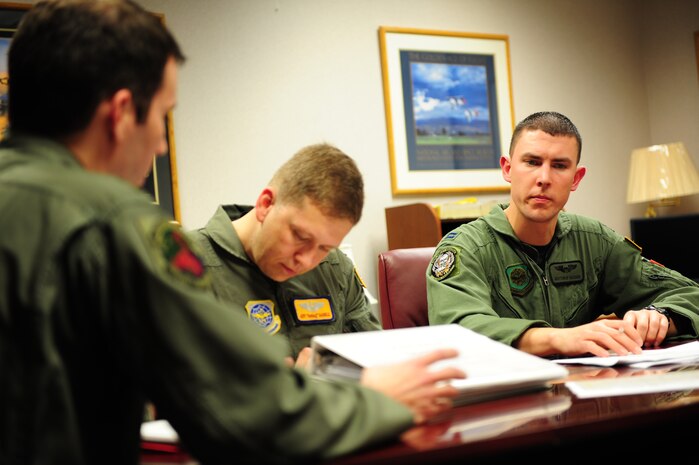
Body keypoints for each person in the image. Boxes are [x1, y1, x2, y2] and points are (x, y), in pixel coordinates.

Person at [0, 2, 466, 465]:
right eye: (161, 116)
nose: (161, 143)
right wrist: (379, 398)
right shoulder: (115, 223)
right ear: (121, 112)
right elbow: (246, 413)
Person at [427, 111, 699, 358]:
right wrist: (558, 339)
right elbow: (457, 330)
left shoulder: (594, 241)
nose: (544, 178)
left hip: (586, 396)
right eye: (532, 162)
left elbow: (689, 293)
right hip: (504, 404)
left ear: (576, 178)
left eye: (559, 166)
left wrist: (661, 317)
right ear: (508, 169)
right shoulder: (466, 248)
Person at [187, 143, 381, 364]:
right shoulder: (183, 266)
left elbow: (373, 361)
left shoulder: (336, 269)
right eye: (300, 236)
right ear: (266, 204)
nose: (307, 260)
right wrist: (293, 394)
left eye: (324, 248)